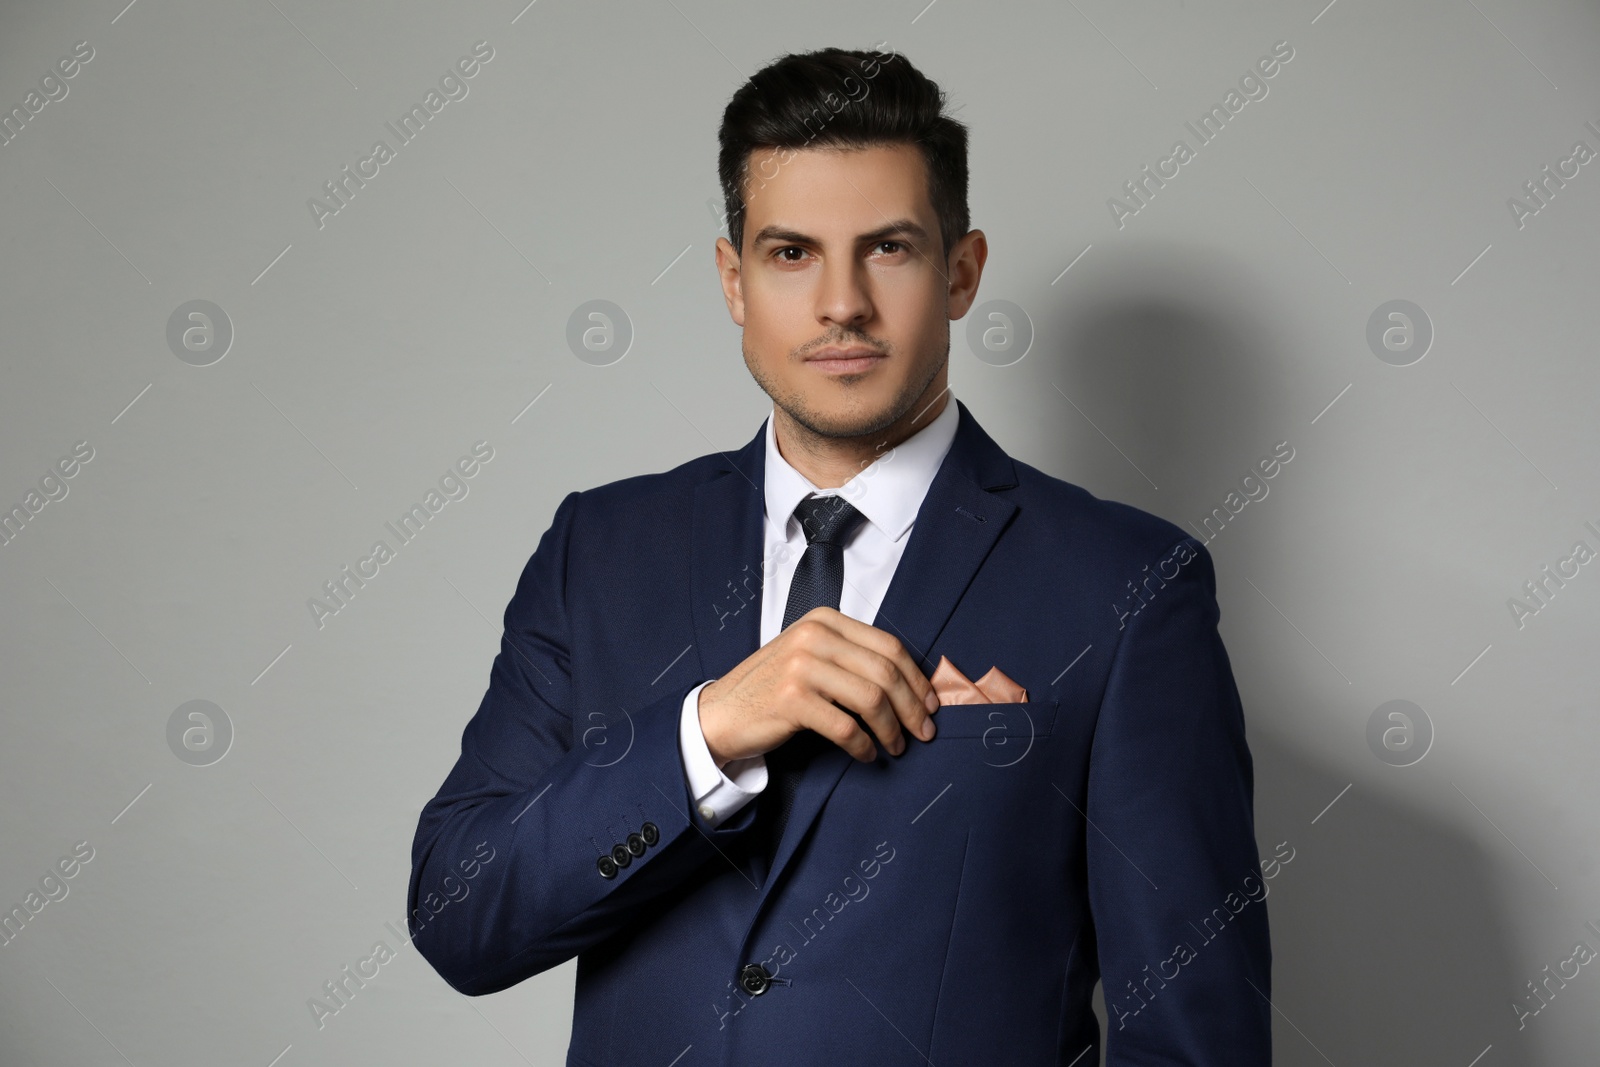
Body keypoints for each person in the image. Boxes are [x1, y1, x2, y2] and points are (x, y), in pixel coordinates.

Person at [408, 44, 1271, 1065]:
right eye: (790, 254)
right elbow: (459, 914)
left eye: (889, 249)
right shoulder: (597, 551)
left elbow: (1193, 1034)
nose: (841, 304)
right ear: (733, 280)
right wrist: (710, 729)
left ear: (961, 270)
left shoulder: (1126, 587)